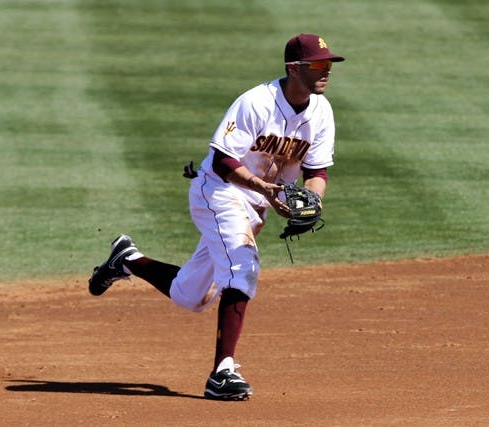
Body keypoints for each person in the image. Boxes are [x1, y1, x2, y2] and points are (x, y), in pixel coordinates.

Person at [88, 33, 345, 401]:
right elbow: (224, 160)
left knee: (190, 296)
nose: (326, 71)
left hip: (255, 203)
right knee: (243, 266)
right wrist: (264, 188)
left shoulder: (322, 112)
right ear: (293, 68)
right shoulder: (256, 103)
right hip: (219, 192)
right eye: (318, 65)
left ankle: (127, 259)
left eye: (329, 65)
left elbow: (317, 172)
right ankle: (222, 374)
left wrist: (313, 203)